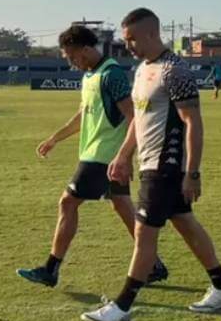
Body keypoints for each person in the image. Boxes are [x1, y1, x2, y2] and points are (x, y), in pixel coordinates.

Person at [81, 8, 221, 321]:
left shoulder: (174, 70)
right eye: (126, 40)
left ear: (152, 34)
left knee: (144, 233)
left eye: (132, 39)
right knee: (184, 222)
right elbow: (139, 120)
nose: (129, 46)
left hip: (165, 166)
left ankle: (122, 305)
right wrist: (124, 155)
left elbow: (193, 122)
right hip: (147, 162)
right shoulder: (141, 70)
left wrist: (192, 172)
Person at [19, 25, 168, 289]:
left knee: (67, 203)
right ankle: (153, 264)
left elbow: (134, 118)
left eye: (72, 56)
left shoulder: (111, 75)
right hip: (101, 155)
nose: (70, 61)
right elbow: (83, 115)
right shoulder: (90, 76)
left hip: (103, 156)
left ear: (86, 49)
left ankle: (50, 269)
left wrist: (124, 155)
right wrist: (55, 138)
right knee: (122, 206)